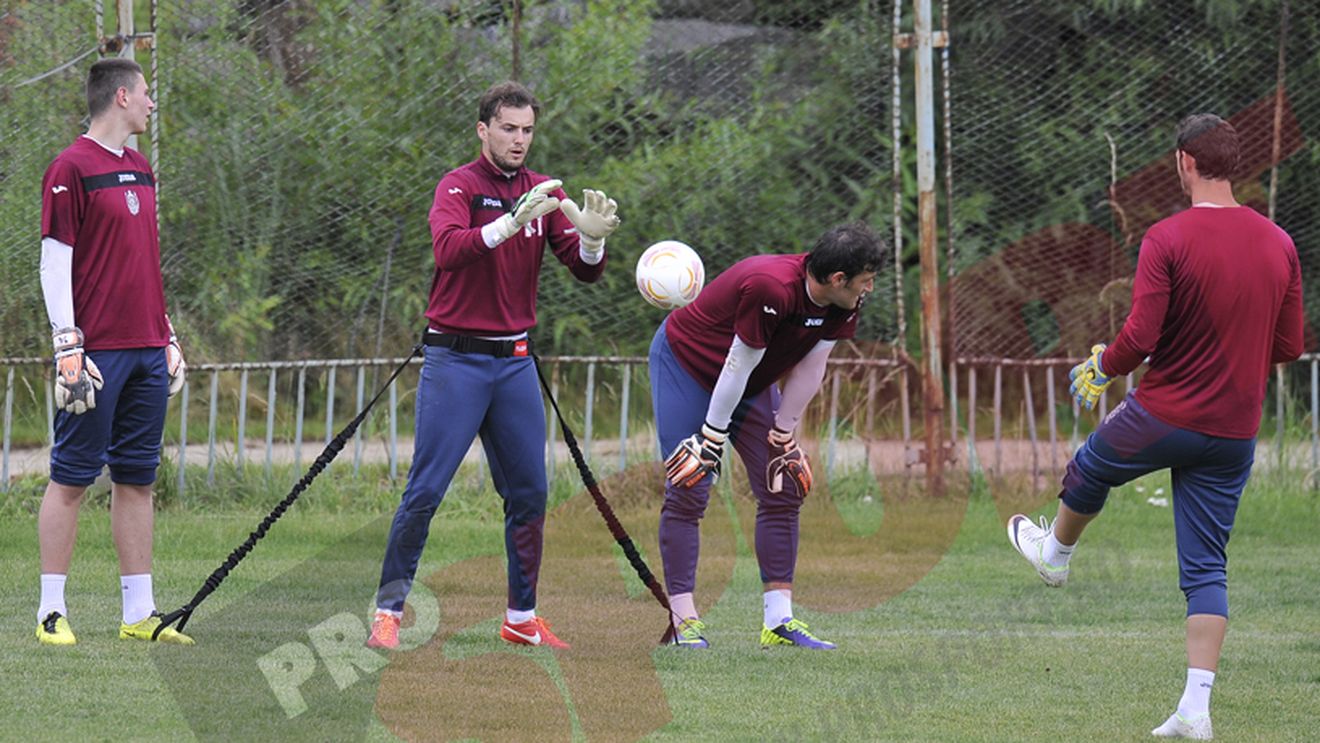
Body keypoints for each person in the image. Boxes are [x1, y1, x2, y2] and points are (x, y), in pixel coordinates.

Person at [1007, 114, 1303, 740]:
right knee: (1206, 569)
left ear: (1184, 164)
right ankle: (1196, 710)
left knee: (1089, 466)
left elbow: (1140, 337)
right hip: (1234, 430)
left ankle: (1055, 554)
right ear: (1233, 165)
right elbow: (1289, 346)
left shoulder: (1166, 237)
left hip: (1165, 413)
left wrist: (1100, 366)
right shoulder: (1279, 243)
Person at [367, 81, 620, 650]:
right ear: (484, 129)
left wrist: (592, 244)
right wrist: (508, 223)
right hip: (456, 359)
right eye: (508, 128)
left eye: (527, 130)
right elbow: (449, 250)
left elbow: (582, 273)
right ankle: (388, 610)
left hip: (514, 364)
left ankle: (521, 617)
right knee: (426, 491)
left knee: (530, 492)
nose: (519, 140)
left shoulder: (542, 191)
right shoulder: (458, 185)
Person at [650, 223, 885, 649]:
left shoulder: (844, 301)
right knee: (690, 483)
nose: (869, 288)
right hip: (687, 364)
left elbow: (813, 366)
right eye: (865, 279)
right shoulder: (771, 287)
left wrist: (784, 432)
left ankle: (778, 621)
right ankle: (683, 620)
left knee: (784, 484)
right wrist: (711, 437)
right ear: (838, 279)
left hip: (748, 382)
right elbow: (737, 364)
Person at [35, 58, 191, 646]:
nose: (152, 104)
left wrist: (167, 332)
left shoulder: (143, 168)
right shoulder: (69, 168)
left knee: (137, 479)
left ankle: (139, 615)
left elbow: (142, 262)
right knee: (72, 479)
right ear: (121, 96)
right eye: (147, 94)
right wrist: (67, 345)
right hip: (96, 352)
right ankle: (51, 612)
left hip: (148, 349)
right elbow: (55, 262)